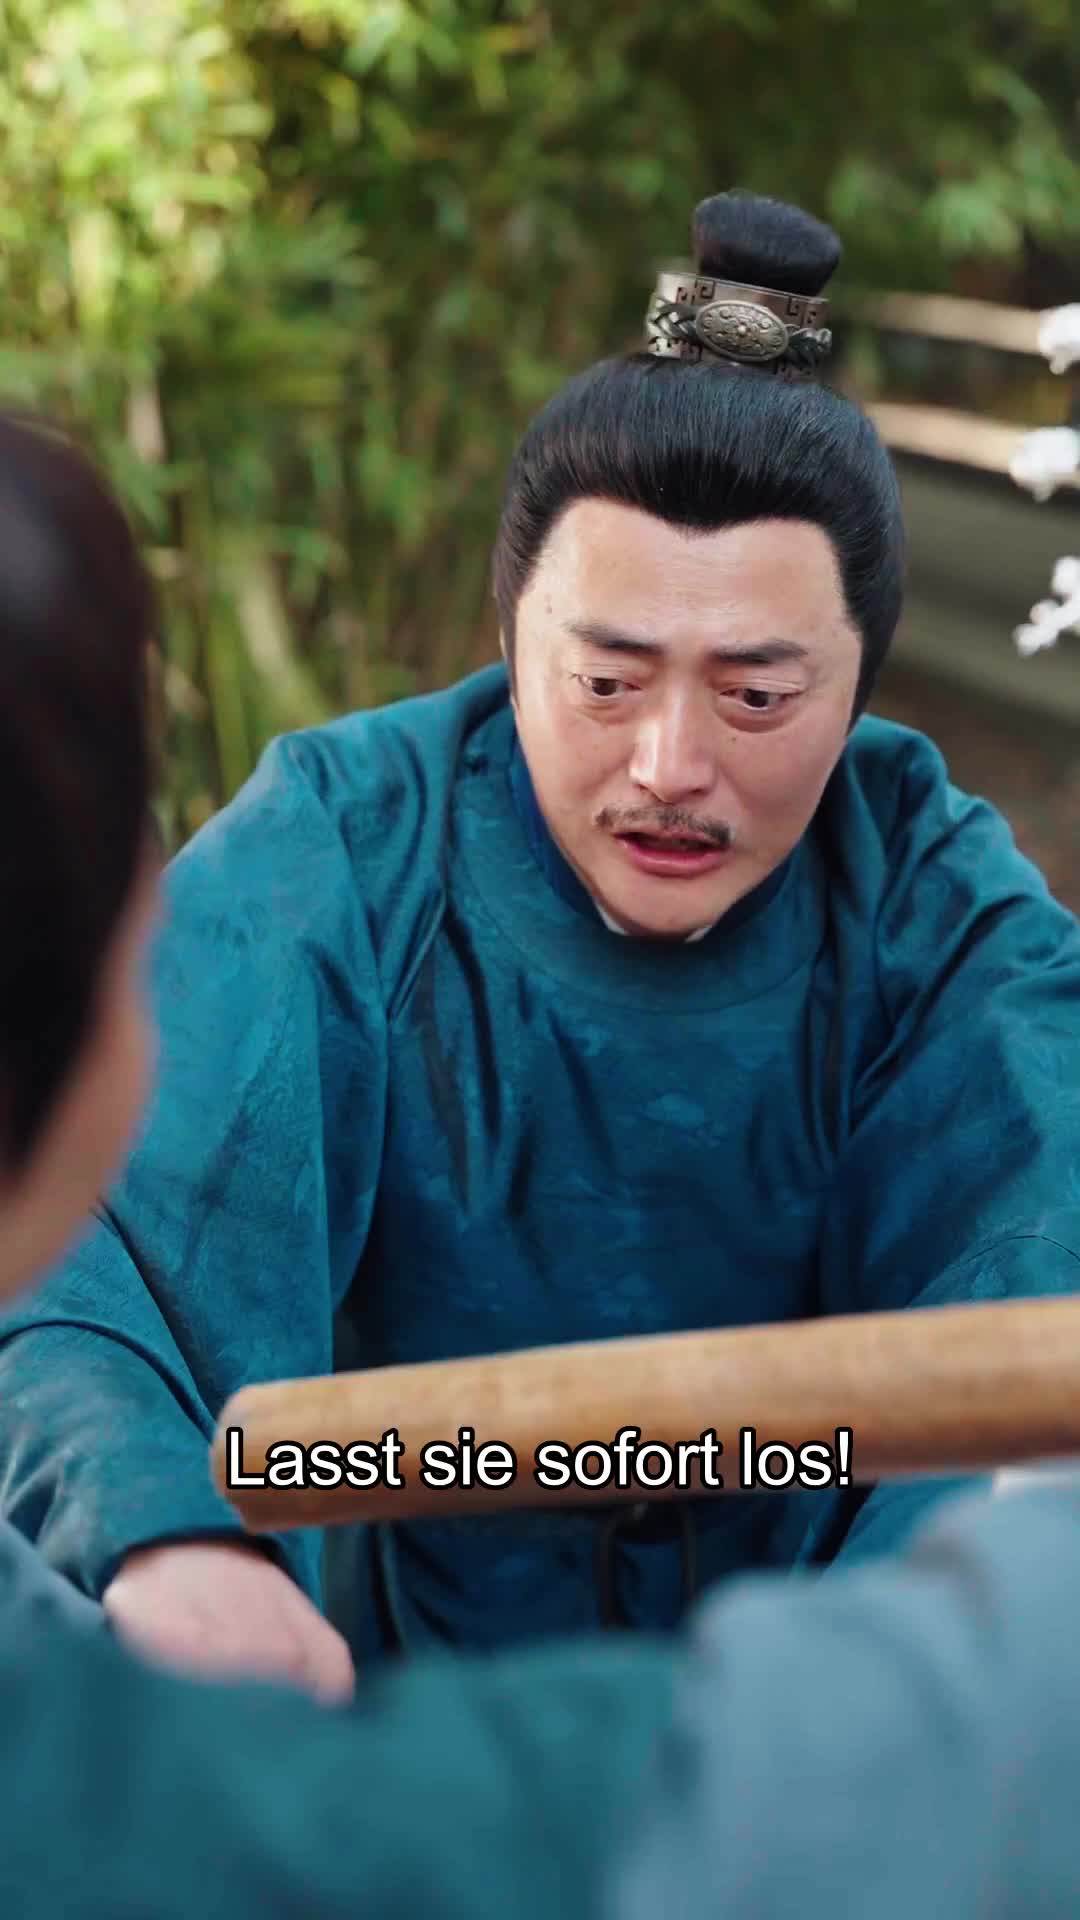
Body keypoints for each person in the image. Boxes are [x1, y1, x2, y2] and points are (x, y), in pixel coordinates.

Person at [2, 310, 1080, 1920]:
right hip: (372, 1747)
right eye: (605, 681)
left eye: (759, 695)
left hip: (817, 1759)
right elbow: (86, 1246)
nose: (671, 763)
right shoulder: (340, 846)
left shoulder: (943, 908)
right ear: (510, 639)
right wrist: (170, 1543)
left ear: (865, 682)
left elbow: (1034, 1301)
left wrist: (883, 1730)